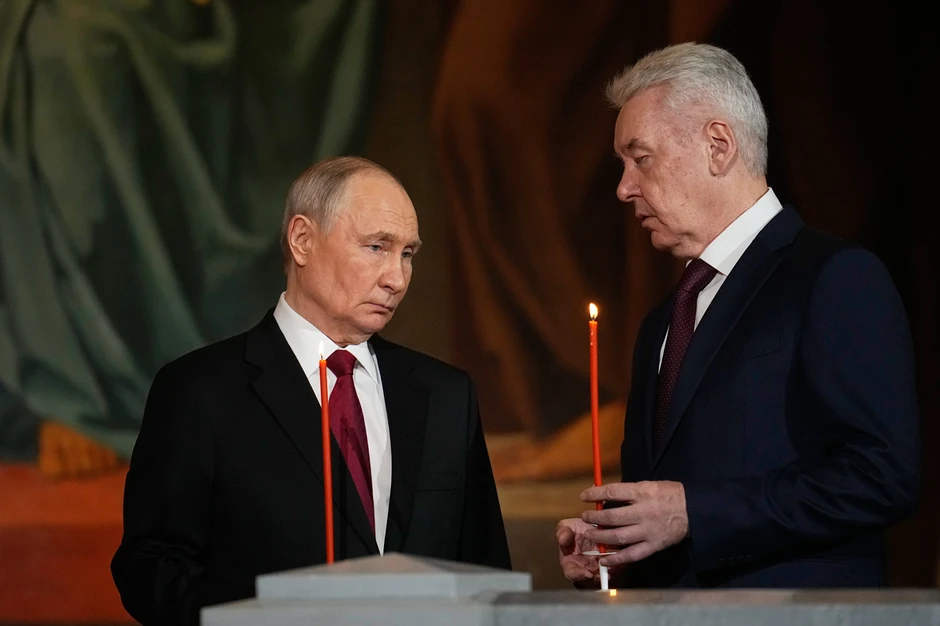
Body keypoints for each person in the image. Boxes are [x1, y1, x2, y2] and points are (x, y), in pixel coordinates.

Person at [557, 42, 920, 589]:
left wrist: (694, 514)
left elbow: (881, 476)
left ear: (718, 146)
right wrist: (619, 548)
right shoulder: (660, 324)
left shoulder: (835, 277)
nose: (624, 187)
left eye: (640, 157)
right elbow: (668, 509)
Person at [112, 156, 511, 625]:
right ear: (302, 240)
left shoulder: (447, 395)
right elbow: (152, 568)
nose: (397, 279)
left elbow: (487, 575)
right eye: (377, 247)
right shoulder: (198, 392)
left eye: (407, 254)